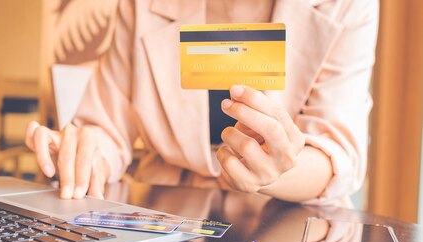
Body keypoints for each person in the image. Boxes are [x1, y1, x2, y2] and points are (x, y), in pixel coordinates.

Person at [25, 0, 378, 207]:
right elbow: (107, 129)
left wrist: (277, 171)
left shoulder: (348, 6)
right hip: (164, 211)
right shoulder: (140, 5)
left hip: (284, 216)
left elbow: (337, 153)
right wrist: (83, 158)